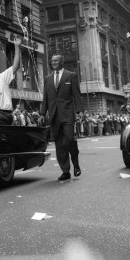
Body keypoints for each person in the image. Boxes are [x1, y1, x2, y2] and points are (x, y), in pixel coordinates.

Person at [40, 53, 84, 181]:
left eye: (56, 60)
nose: (53, 62)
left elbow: (77, 95)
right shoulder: (47, 78)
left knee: (69, 139)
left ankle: (75, 163)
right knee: (59, 144)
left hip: (68, 113)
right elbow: (45, 98)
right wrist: (42, 114)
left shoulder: (71, 76)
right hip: (54, 115)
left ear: (62, 62)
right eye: (52, 60)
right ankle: (65, 171)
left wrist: (80, 111)